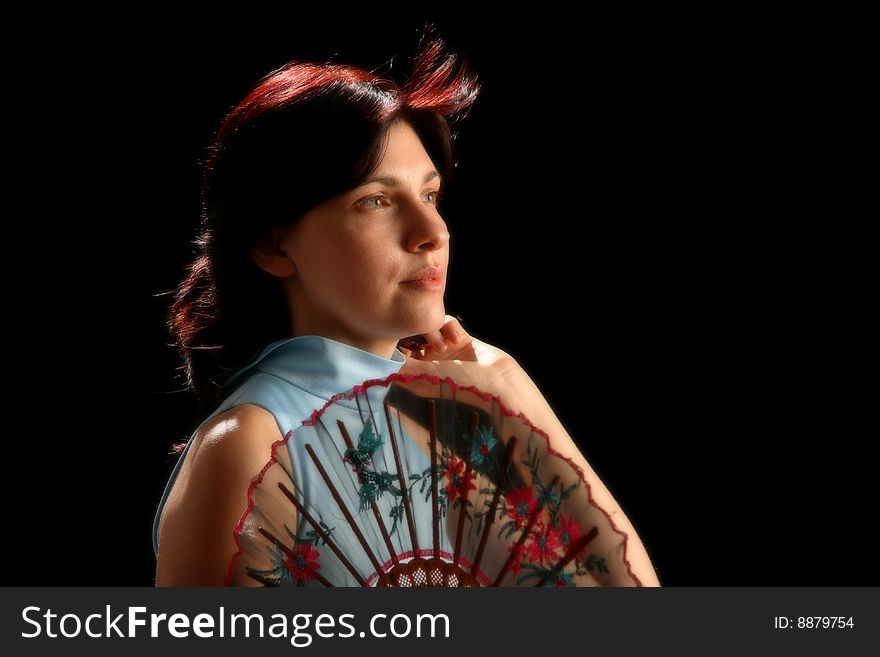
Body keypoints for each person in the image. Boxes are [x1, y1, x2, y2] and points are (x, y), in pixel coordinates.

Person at [153, 33, 661, 587]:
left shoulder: (454, 417)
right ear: (274, 246)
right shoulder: (251, 442)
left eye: (430, 196)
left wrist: (520, 402)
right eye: (375, 200)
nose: (432, 233)